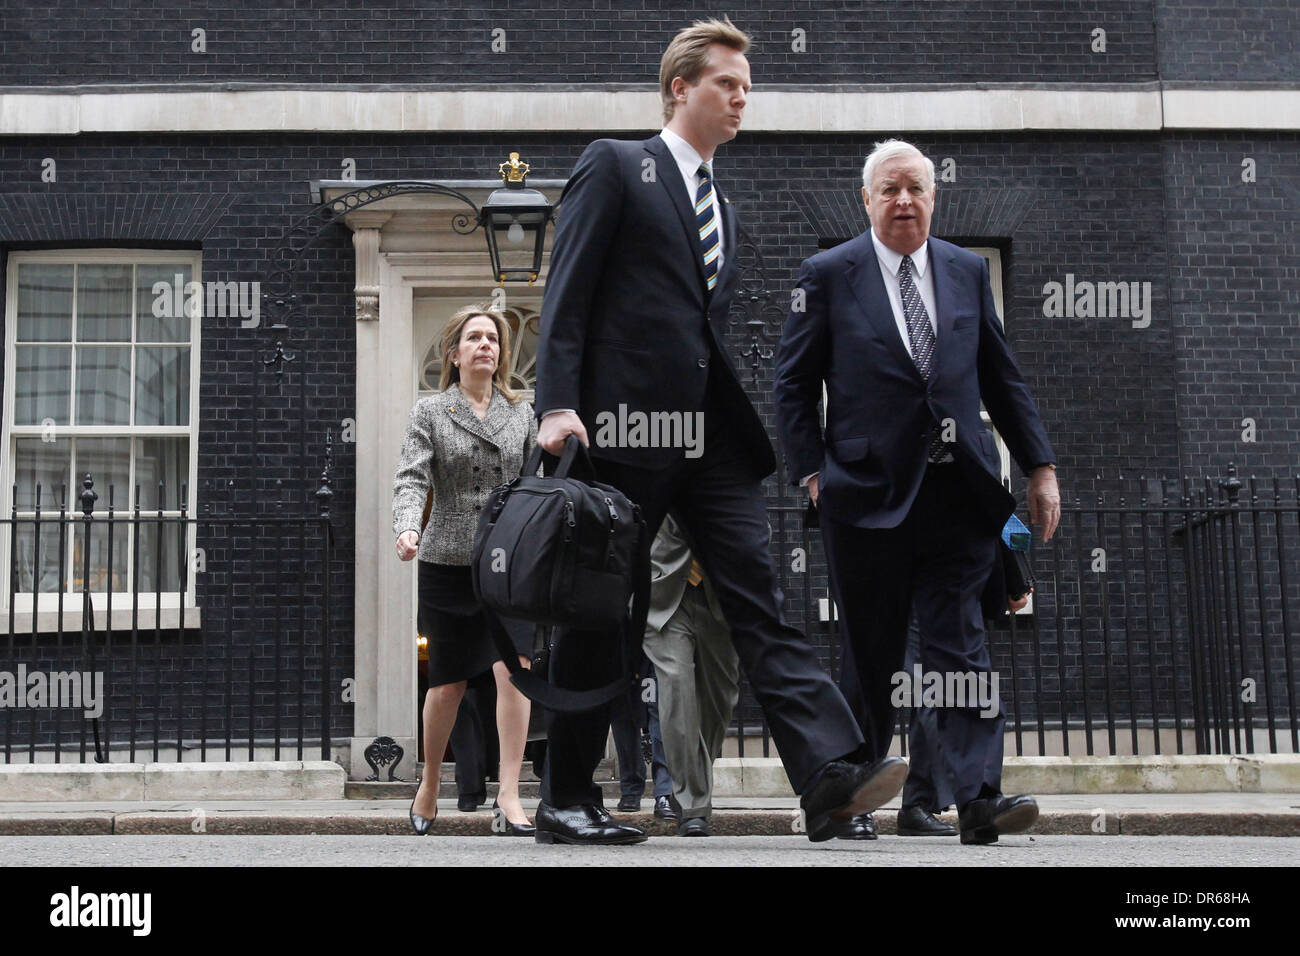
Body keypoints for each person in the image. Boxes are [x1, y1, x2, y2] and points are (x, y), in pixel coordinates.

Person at [532, 17, 906, 847]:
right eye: (726, 84)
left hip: (708, 444)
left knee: (760, 600)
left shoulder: (723, 207)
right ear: (680, 88)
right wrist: (556, 400)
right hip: (621, 433)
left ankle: (829, 781)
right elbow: (569, 290)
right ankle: (564, 800)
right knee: (606, 614)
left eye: (747, 86)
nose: (742, 98)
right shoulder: (616, 166)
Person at [774, 139, 1061, 845]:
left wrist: (1039, 467)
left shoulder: (965, 271)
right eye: (890, 190)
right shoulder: (828, 273)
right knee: (871, 656)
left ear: (934, 197)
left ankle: (977, 799)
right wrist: (812, 472)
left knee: (961, 650)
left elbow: (1002, 376)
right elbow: (791, 383)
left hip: (958, 495)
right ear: (866, 200)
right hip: (864, 497)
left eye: (916, 189)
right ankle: (848, 800)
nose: (904, 201)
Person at [393, 303, 538, 837]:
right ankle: (430, 782)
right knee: (448, 684)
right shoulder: (429, 412)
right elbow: (410, 478)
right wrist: (407, 527)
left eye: (493, 339)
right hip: (447, 562)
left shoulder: (523, 412)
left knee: (514, 672)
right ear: (454, 355)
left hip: (507, 563)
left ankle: (509, 795)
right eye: (474, 338)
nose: (486, 345)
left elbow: (532, 488)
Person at [641, 512, 739, 837]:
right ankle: (693, 803)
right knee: (676, 690)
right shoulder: (661, 463)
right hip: (663, 595)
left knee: (718, 702)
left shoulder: (728, 470)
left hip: (720, 598)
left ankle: (693, 780)